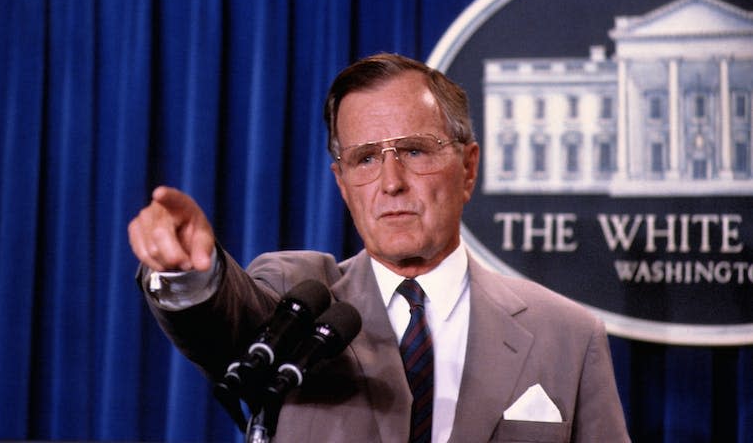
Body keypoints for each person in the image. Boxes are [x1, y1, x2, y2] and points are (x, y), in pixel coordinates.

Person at [128, 53, 630, 442]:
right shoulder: (301, 298)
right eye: (365, 159)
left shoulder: (566, 335)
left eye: (415, 151)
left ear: (469, 167)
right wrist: (189, 275)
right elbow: (229, 317)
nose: (391, 182)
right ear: (343, 185)